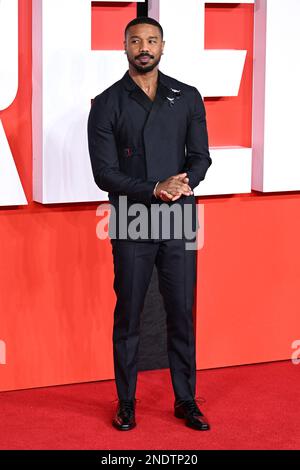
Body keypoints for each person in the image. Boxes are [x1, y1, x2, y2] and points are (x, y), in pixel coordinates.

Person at [87, 16, 212, 431]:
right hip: (132, 219)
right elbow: (104, 174)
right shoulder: (106, 103)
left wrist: (182, 184)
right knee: (130, 314)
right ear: (124, 47)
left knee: (181, 312)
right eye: (136, 40)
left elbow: (200, 157)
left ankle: (186, 400)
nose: (144, 47)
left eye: (152, 40)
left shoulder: (187, 96)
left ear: (163, 46)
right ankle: (126, 401)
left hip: (178, 217)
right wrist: (154, 187)